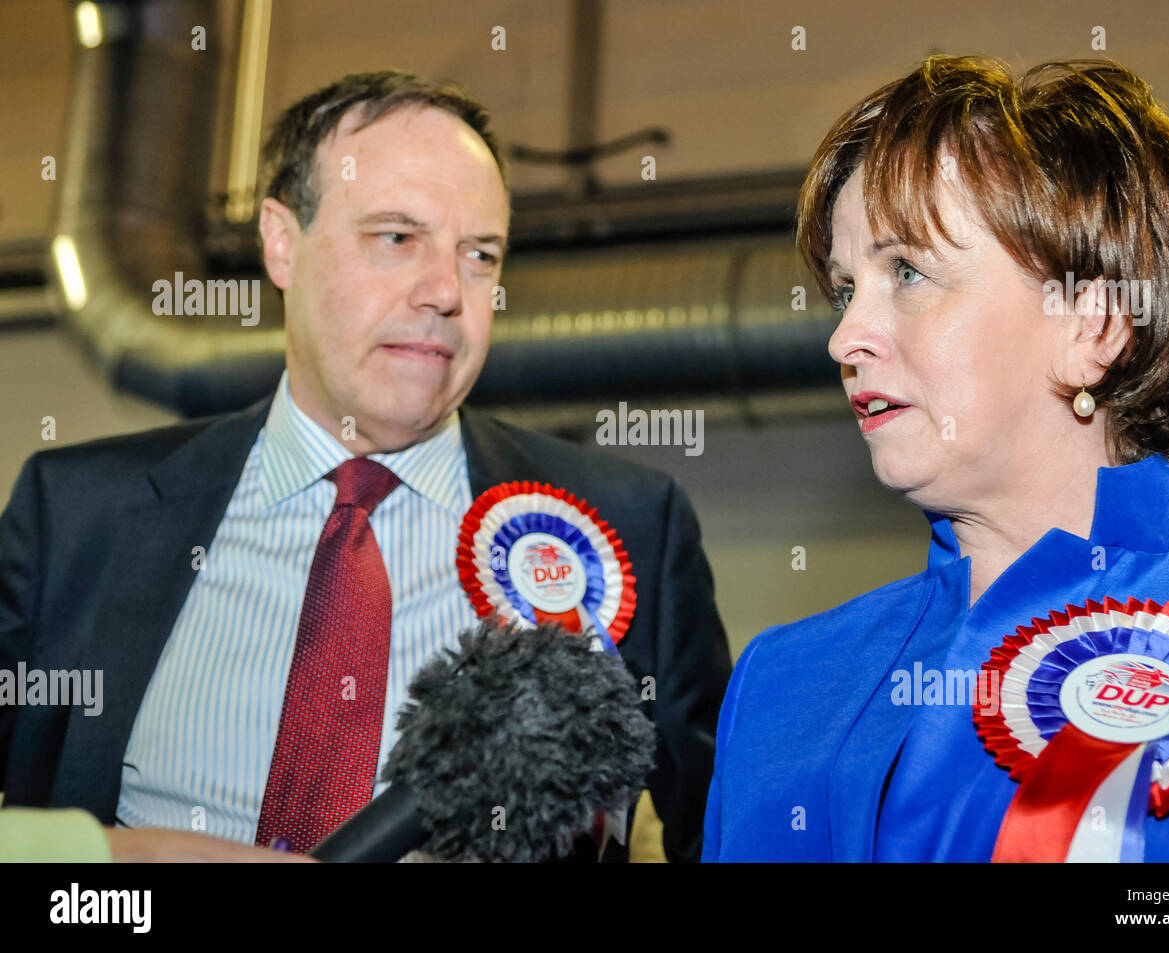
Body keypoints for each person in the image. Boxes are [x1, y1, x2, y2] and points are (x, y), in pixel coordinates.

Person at [0, 71, 731, 863]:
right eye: (396, 237)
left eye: (479, 254)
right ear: (282, 243)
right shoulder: (76, 516)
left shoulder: (627, 526)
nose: (447, 291)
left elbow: (731, 838)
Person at [702, 55, 1169, 862]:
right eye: (846, 290)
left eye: (907, 271)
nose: (844, 338)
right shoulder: (779, 681)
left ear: (1092, 324)